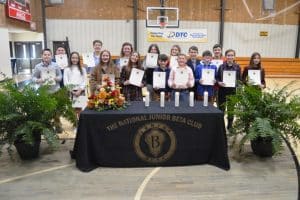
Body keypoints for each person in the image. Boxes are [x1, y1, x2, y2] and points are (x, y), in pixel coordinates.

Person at [32, 48, 63, 133]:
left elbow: (60, 76)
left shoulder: (56, 65)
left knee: (57, 110)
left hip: (56, 91)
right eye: (45, 54)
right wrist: (38, 80)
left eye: (48, 54)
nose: (46, 56)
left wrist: (57, 78)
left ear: (51, 56)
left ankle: (58, 126)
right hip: (44, 93)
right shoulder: (37, 67)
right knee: (46, 111)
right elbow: (33, 78)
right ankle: (47, 128)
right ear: (41, 56)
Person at [217, 49, 241, 130]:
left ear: (234, 56)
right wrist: (219, 82)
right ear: (225, 56)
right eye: (228, 55)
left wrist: (236, 83)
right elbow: (217, 78)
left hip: (232, 91)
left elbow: (239, 80)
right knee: (221, 109)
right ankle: (220, 126)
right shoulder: (221, 66)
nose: (230, 57)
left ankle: (230, 125)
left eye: (231, 55)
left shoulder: (237, 67)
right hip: (222, 91)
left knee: (231, 109)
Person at [63, 52, 87, 119]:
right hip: (71, 91)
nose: (75, 59)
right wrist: (72, 91)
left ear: (79, 59)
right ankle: (75, 125)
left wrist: (80, 90)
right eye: (73, 58)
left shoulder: (83, 69)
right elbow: (66, 82)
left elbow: (84, 81)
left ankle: (80, 125)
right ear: (70, 59)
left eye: (76, 58)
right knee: (72, 109)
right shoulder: (66, 69)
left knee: (79, 109)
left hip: (80, 91)